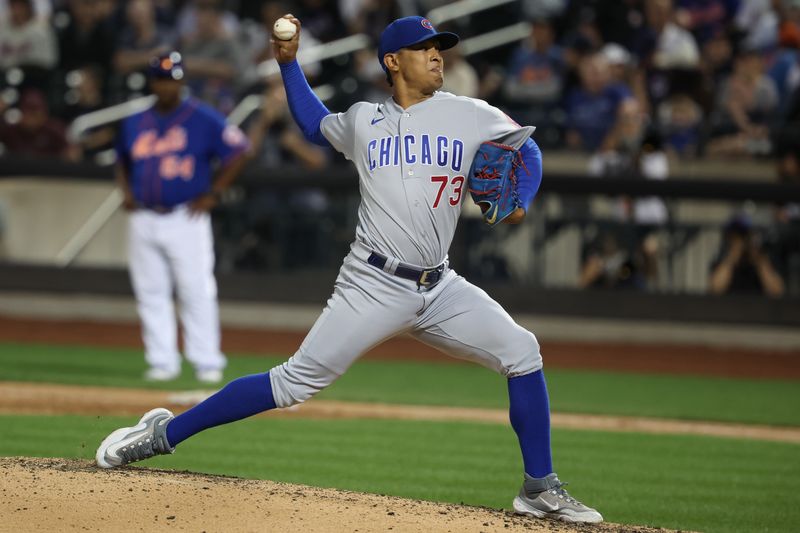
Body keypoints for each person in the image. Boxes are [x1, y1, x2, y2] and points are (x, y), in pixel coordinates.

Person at [96, 16, 603, 524]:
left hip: (440, 284)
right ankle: (162, 434)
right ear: (392, 61)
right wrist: (289, 65)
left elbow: (526, 147)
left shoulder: (472, 114)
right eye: (424, 48)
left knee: (522, 351)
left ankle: (539, 488)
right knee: (292, 383)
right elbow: (313, 124)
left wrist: (520, 199)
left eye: (438, 48)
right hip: (373, 283)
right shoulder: (363, 120)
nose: (436, 55)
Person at [114, 51, 249, 383]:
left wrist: (214, 192)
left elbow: (239, 151)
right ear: (152, 82)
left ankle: (207, 361)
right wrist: (127, 192)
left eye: (171, 79)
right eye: (160, 79)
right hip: (143, 217)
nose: (165, 86)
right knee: (150, 292)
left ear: (182, 81)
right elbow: (121, 159)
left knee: (196, 290)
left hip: (185, 217)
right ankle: (162, 361)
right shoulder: (136, 120)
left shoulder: (203, 118)